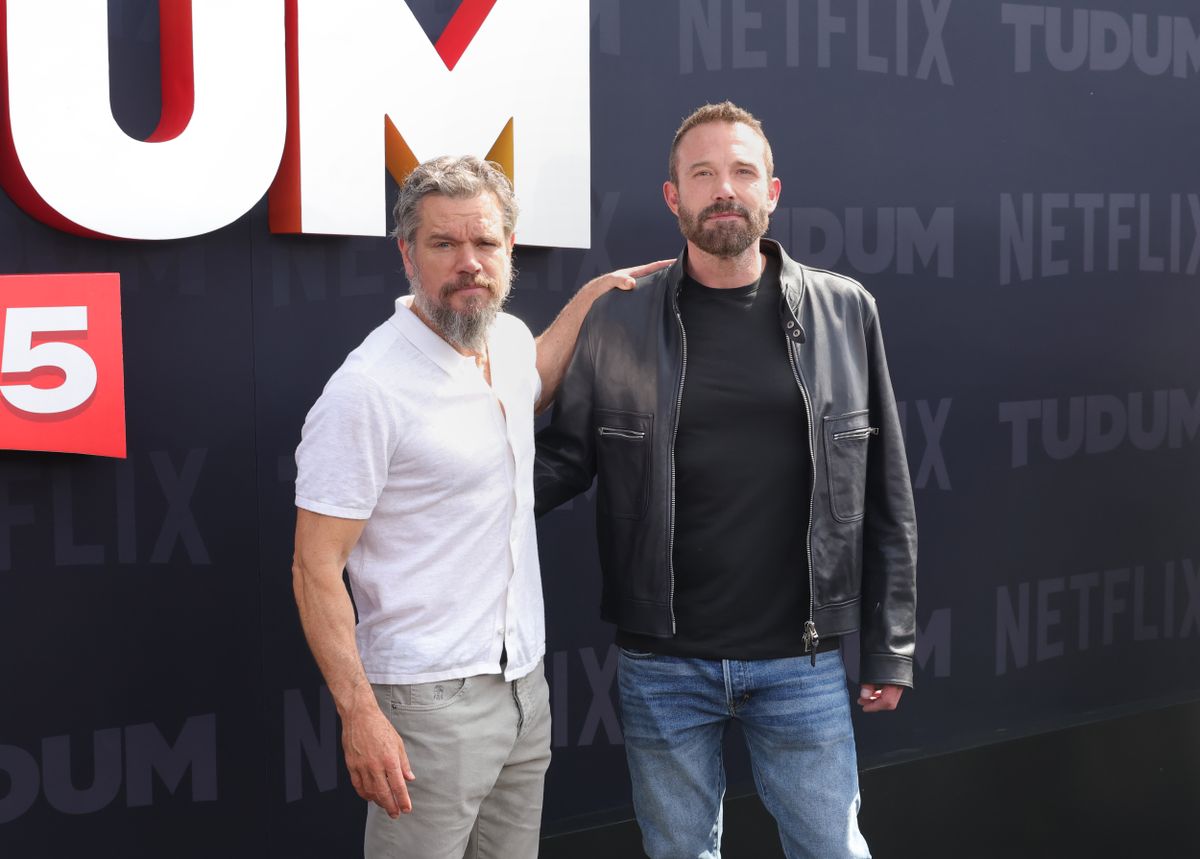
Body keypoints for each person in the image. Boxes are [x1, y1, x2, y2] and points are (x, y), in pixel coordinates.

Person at [534, 102, 918, 858]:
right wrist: (452, 487)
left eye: (742, 172)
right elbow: (562, 461)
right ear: (672, 195)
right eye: (702, 173)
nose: (724, 189)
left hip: (800, 660)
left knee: (833, 850)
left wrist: (890, 646)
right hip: (663, 663)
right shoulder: (621, 319)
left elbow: (887, 495)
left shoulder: (845, 311)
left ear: (772, 190)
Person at [291, 154, 668, 859]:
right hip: (427, 703)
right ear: (408, 252)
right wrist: (359, 712)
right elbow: (315, 566)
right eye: (444, 243)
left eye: (485, 242)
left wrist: (588, 298)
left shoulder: (506, 339)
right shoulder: (368, 389)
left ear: (509, 250)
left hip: (524, 686)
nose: (469, 262)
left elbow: (538, 378)